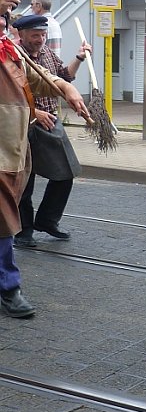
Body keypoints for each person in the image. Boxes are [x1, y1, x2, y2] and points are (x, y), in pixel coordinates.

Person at [0, 0, 88, 319]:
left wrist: (65, 86)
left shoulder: (9, 51)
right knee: (5, 224)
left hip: (12, 155)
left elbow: (36, 80)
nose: (3, 24)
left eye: (5, 18)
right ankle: (9, 287)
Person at [13, 14, 91, 248]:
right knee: (26, 181)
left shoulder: (46, 53)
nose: (40, 39)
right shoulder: (15, 56)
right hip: (24, 125)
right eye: (35, 35)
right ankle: (23, 231)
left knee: (66, 171)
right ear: (22, 35)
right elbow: (10, 96)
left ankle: (47, 220)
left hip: (51, 123)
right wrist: (34, 112)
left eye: (43, 34)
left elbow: (63, 77)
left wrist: (79, 58)